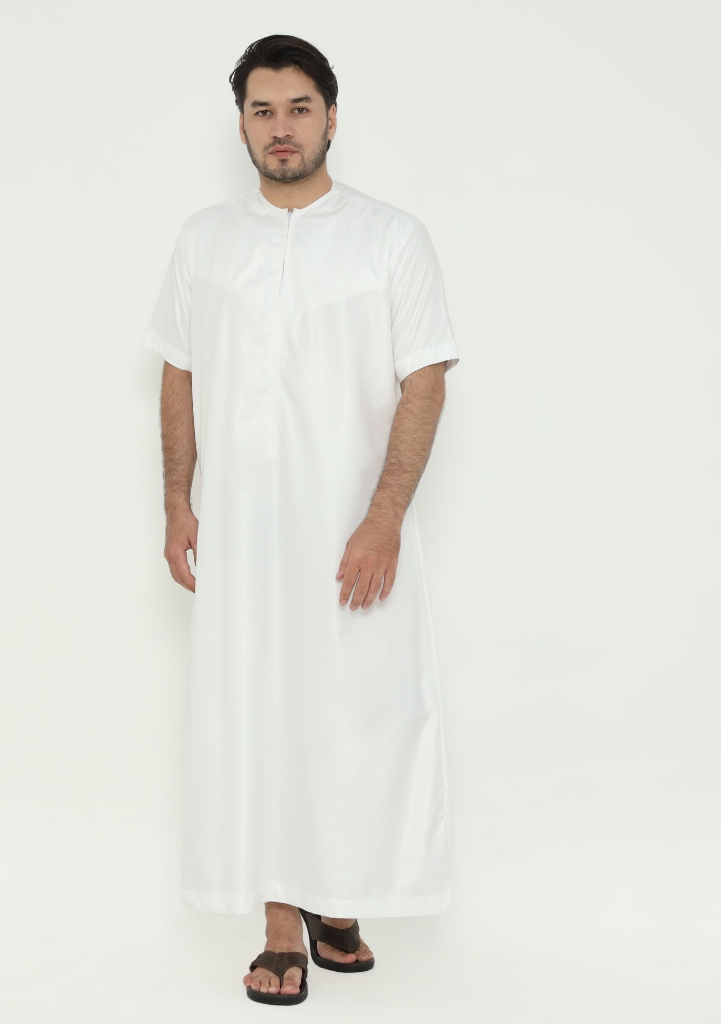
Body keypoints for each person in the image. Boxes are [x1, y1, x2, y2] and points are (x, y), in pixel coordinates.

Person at [144, 34, 459, 1006]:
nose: (280, 128)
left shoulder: (391, 238)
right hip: (242, 537)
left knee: (355, 711)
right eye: (262, 110)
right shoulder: (206, 240)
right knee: (258, 712)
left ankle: (340, 892)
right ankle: (282, 920)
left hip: (349, 533)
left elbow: (425, 378)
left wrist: (383, 517)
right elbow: (178, 370)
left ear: (331, 116)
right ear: (241, 124)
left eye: (298, 108)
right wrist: (177, 500)